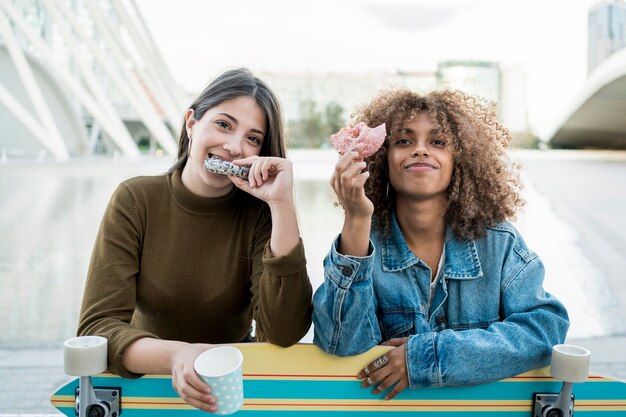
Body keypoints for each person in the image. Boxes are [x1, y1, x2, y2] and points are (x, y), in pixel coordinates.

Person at [78, 68, 313, 412]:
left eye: (253, 138)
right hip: (145, 385)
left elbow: (283, 333)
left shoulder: (261, 214)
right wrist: (177, 355)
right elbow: (97, 328)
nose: (234, 147)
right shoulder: (135, 198)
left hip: (230, 392)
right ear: (191, 123)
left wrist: (281, 204)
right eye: (223, 125)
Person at [312, 89, 569, 400]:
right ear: (380, 158)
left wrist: (427, 357)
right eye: (404, 141)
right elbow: (339, 345)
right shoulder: (361, 242)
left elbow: (545, 329)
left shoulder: (499, 243)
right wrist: (355, 220)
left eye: (438, 142)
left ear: (459, 160)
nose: (420, 150)